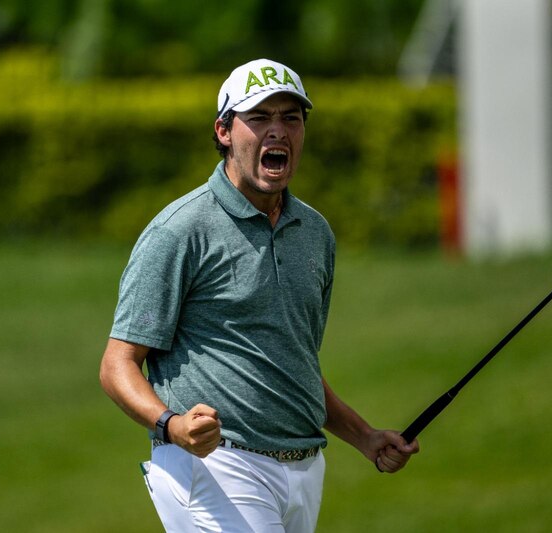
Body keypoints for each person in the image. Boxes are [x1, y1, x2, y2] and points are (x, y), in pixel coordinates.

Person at [99, 58, 419, 533]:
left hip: (304, 470)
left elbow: (294, 364)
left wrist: (365, 437)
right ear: (225, 132)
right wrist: (173, 425)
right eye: (259, 118)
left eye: (290, 118)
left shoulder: (315, 232)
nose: (277, 132)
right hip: (215, 468)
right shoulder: (179, 231)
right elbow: (117, 364)